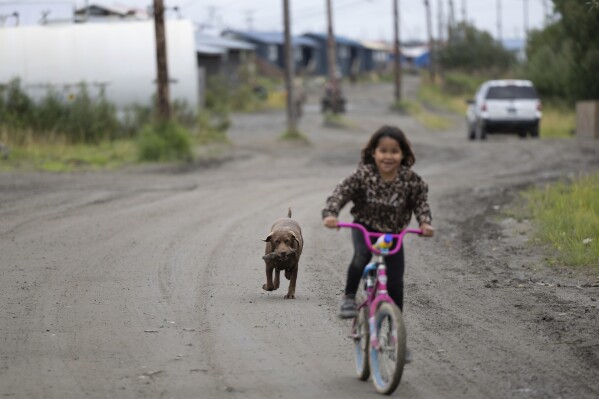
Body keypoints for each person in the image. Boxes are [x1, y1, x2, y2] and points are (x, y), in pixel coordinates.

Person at [322, 125, 434, 321]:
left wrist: (425, 223)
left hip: (393, 234)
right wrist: (331, 214)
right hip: (364, 226)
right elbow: (341, 193)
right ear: (373, 153)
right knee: (361, 255)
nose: (388, 157)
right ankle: (349, 298)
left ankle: (395, 330)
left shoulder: (411, 180)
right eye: (383, 151)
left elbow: (420, 203)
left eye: (394, 151)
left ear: (403, 154)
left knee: (396, 282)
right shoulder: (363, 175)